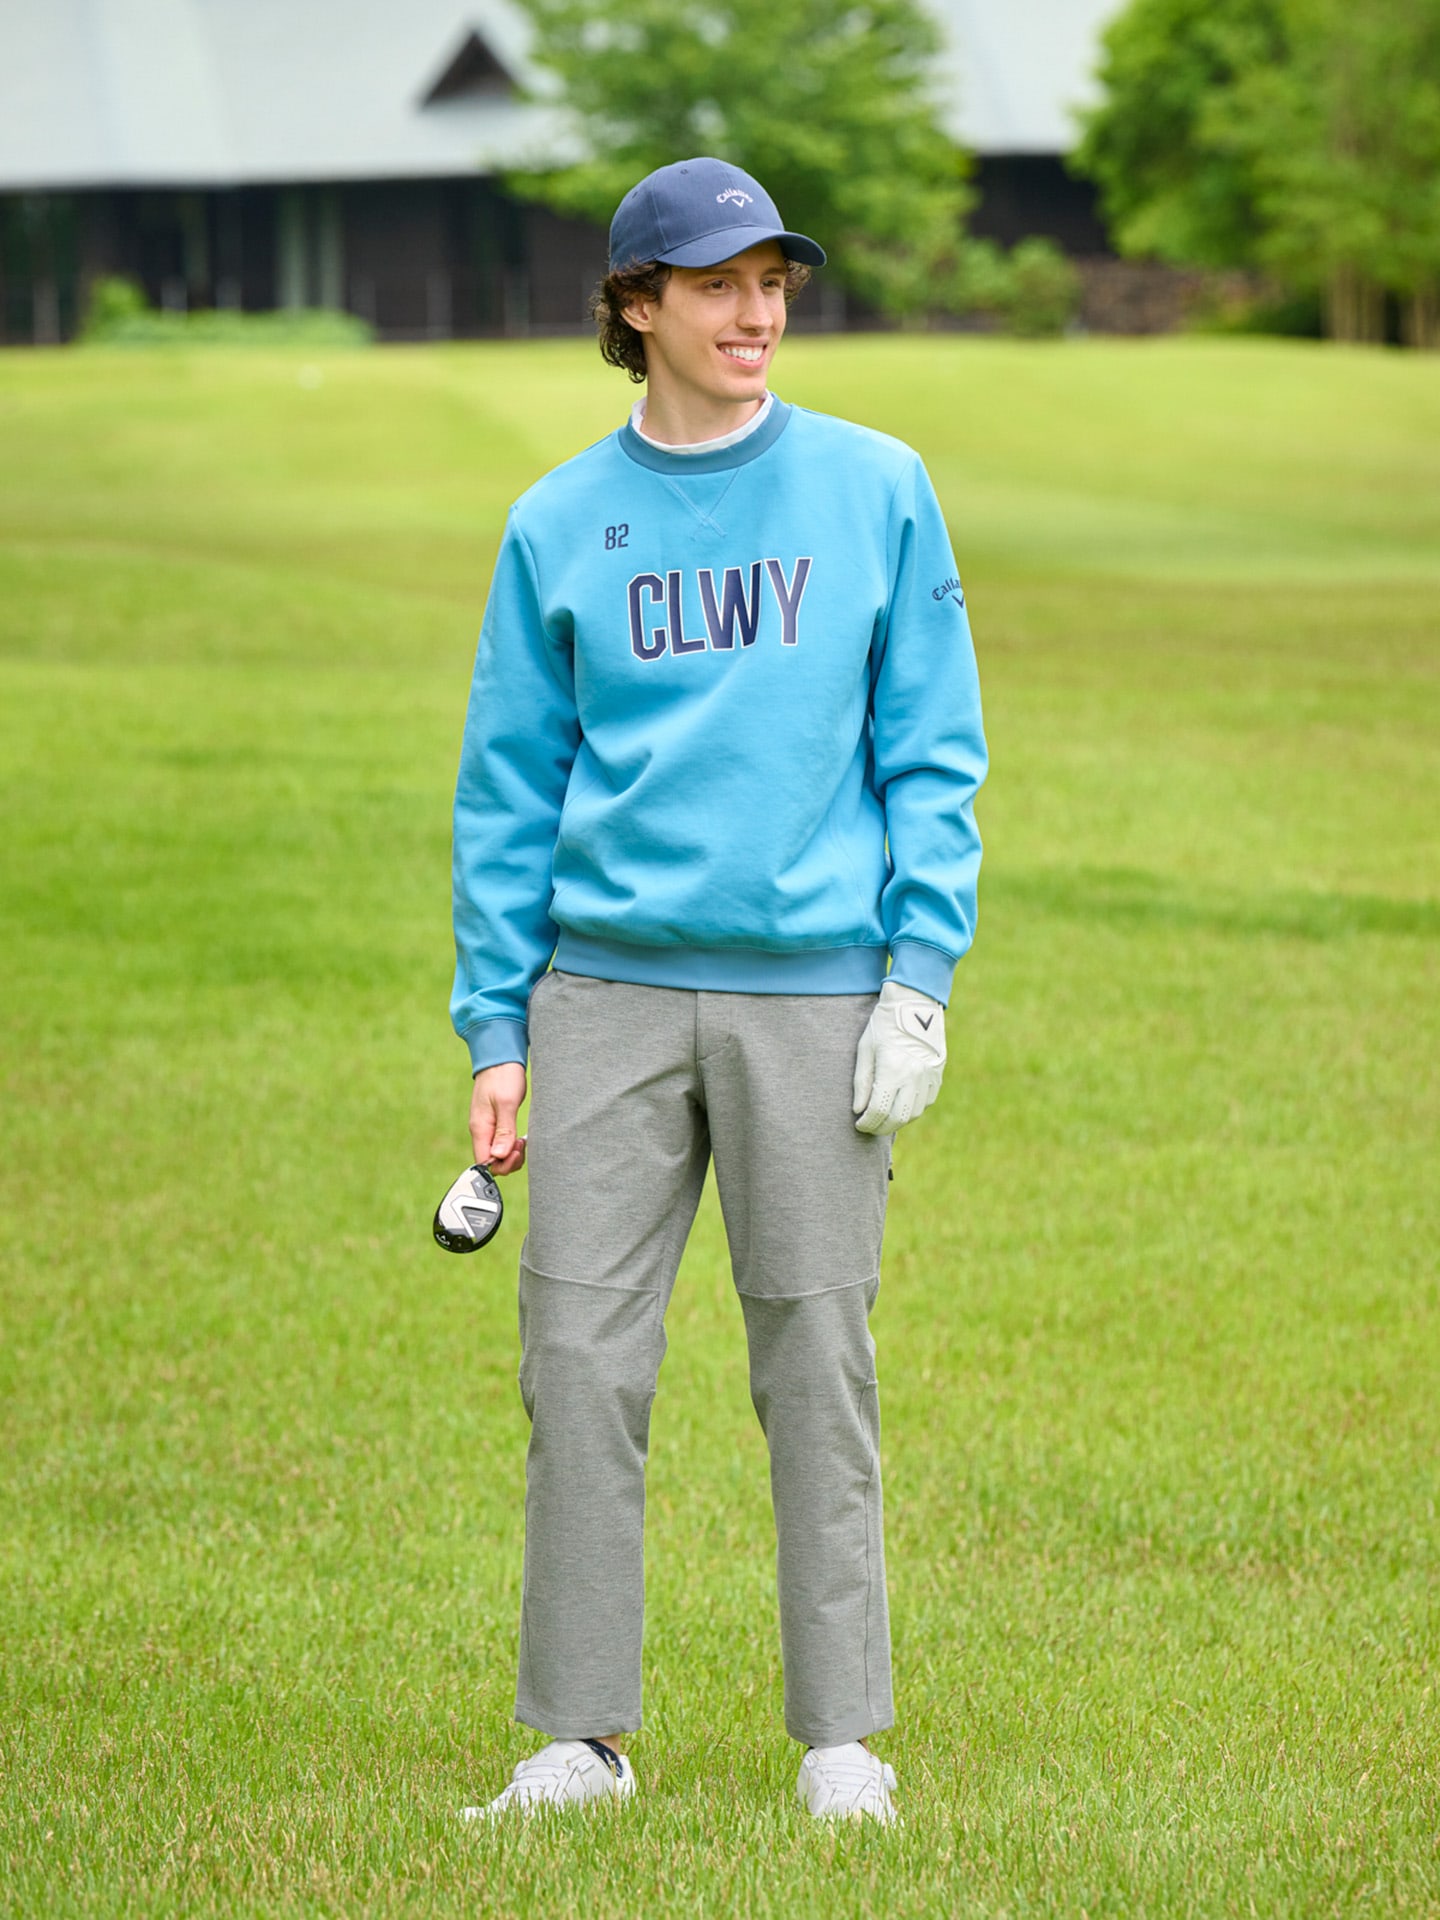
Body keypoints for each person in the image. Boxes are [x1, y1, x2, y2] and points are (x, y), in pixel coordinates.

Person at [450, 157, 987, 1824]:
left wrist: (918, 981)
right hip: (603, 996)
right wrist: (496, 1027)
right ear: (637, 306)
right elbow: (507, 790)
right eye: (716, 286)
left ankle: (843, 1741)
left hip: (814, 1001)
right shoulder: (557, 523)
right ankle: (578, 1739)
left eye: (773, 283)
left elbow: (933, 750)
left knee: (817, 1360)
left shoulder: (877, 487)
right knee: (579, 1364)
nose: (756, 314)